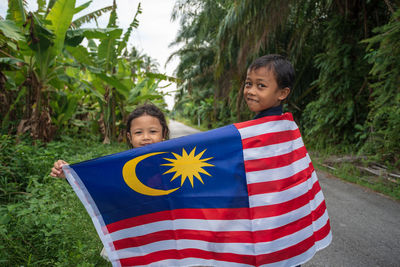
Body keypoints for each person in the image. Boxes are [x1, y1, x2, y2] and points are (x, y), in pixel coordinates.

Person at [50, 102, 170, 178]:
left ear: (163, 134)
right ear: (130, 137)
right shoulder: (120, 167)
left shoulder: (174, 163)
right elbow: (96, 181)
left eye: (153, 131)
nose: (146, 137)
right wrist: (69, 174)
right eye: (138, 132)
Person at [244, 54, 293, 119]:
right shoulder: (288, 126)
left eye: (261, 85)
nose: (251, 92)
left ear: (282, 93)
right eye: (249, 83)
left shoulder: (277, 128)